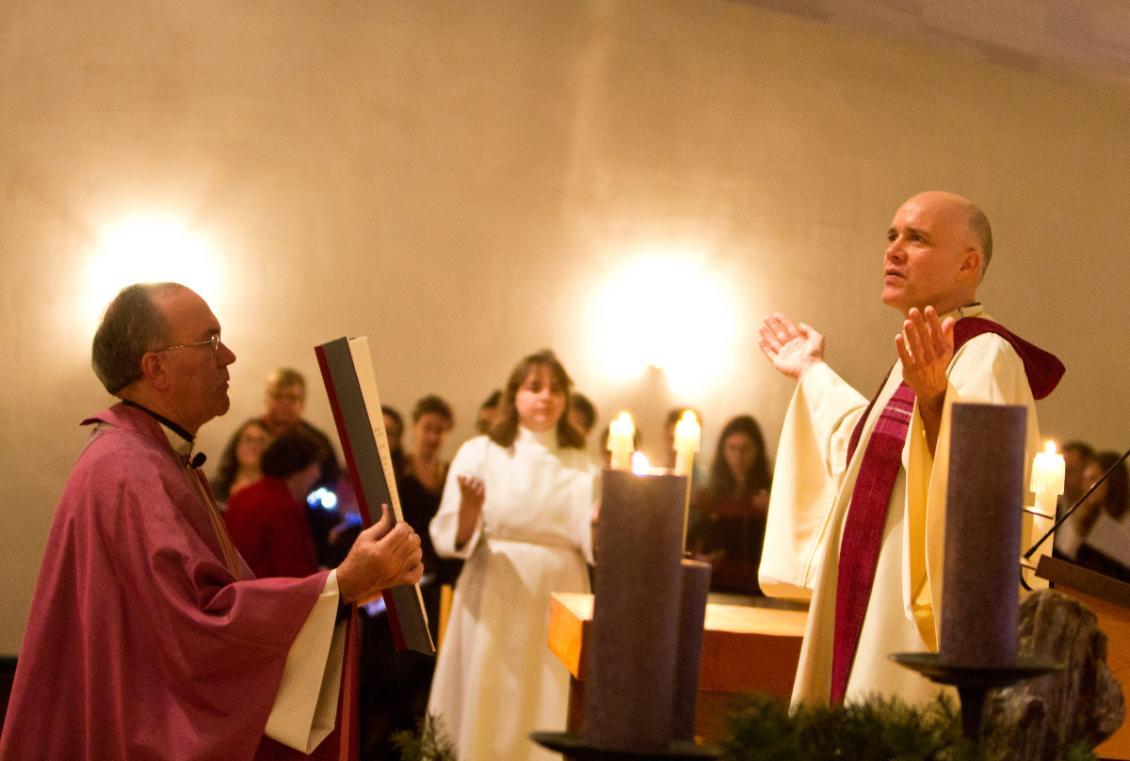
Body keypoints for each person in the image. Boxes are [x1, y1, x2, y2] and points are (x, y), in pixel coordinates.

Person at [0, 282, 424, 761]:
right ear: (155, 367)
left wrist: (346, 591)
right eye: (210, 341)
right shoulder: (128, 470)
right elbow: (198, 629)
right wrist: (339, 587)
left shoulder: (159, 458)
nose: (229, 356)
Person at [756, 191, 1064, 708]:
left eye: (916, 238)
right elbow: (863, 455)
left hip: (910, 617)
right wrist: (812, 371)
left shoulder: (985, 352)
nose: (894, 250)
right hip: (868, 593)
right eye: (892, 236)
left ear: (969, 263)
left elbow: (980, 485)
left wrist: (938, 396)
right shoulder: (922, 355)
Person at [428, 350, 598, 761]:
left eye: (556, 389)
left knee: (548, 690)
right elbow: (450, 537)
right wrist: (469, 510)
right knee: (488, 692)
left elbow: (592, 542)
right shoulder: (481, 452)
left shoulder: (582, 464)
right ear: (514, 395)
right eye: (534, 387)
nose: (546, 397)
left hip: (558, 592)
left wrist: (600, 523)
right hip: (495, 589)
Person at [224, 428, 326, 579]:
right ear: (298, 467)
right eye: (314, 465)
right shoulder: (283, 507)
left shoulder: (241, 496)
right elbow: (296, 577)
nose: (318, 474)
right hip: (267, 597)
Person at [688, 414, 772, 595]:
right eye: (732, 448)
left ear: (757, 451)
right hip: (715, 585)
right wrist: (699, 559)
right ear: (723, 451)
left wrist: (771, 512)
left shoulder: (772, 495)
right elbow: (690, 543)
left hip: (757, 588)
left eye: (745, 448)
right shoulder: (708, 496)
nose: (738, 456)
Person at [256, 367, 341, 493]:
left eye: (292, 398)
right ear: (266, 399)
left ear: (302, 402)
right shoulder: (250, 433)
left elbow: (331, 483)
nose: (284, 403)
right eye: (278, 396)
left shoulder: (317, 441)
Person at [1058, 451, 1130, 580]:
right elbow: (1063, 556)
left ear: (1113, 481)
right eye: (1085, 479)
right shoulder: (1075, 516)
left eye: (1092, 478)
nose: (1085, 486)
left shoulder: (1126, 523)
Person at [211, 417, 271, 505]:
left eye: (260, 441)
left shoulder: (273, 494)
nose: (253, 446)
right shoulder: (214, 487)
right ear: (236, 445)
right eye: (248, 439)